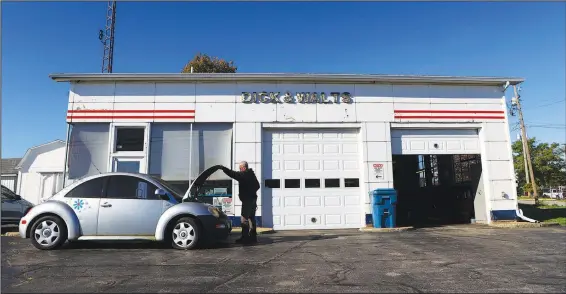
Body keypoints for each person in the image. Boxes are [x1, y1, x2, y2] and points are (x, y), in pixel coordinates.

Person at [221, 161, 260, 244]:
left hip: (248, 200)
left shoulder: (244, 174)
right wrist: (251, 191)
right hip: (253, 199)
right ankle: (253, 237)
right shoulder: (251, 174)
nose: (239, 169)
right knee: (251, 218)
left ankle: (244, 237)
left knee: (244, 219)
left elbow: (233, 174)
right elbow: (257, 186)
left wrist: (223, 169)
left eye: (240, 168)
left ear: (244, 167)